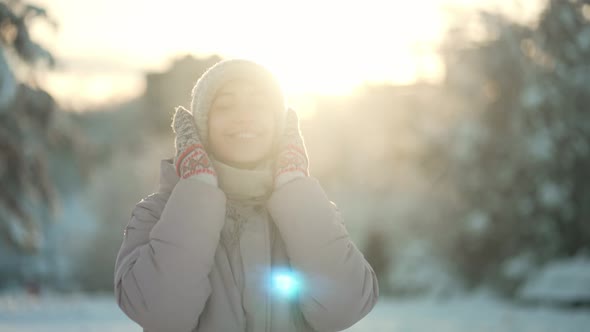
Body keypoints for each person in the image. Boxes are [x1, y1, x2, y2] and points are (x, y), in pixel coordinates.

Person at [113, 59, 379, 332]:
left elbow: (343, 308)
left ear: (278, 122)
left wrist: (293, 186)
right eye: (226, 105)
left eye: (259, 104)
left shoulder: (311, 207)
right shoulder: (157, 213)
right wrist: (198, 189)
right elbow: (161, 314)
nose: (244, 116)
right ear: (202, 125)